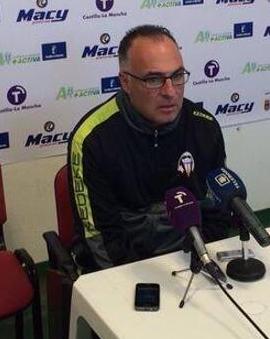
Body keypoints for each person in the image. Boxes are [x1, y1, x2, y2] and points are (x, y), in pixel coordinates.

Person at [68, 24, 231, 270]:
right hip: (127, 268)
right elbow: (101, 237)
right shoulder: (93, 139)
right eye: (153, 79)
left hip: (192, 260)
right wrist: (143, 282)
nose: (170, 92)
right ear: (125, 81)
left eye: (177, 76)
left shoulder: (204, 127)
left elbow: (216, 213)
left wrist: (200, 264)